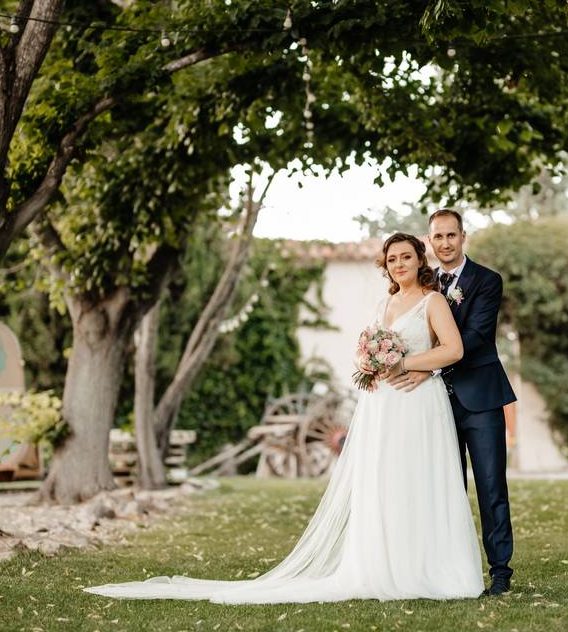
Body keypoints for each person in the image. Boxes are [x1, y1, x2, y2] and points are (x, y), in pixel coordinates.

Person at [83, 232, 484, 604]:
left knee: (418, 478)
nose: (399, 264)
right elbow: (368, 351)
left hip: (417, 403)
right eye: (392, 259)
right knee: (382, 482)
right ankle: (385, 565)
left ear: (419, 260)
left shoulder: (433, 301)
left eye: (406, 257)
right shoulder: (384, 304)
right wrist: (372, 363)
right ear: (386, 266)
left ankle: (427, 566)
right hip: (382, 405)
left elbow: (453, 350)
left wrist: (406, 362)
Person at [387, 209, 516, 596]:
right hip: (433, 405)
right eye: (437, 237)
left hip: (480, 397)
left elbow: (475, 337)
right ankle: (449, 568)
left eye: (451, 236)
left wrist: (429, 367)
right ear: (429, 241)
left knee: (492, 486)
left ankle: (499, 570)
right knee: (444, 487)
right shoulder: (423, 287)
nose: (444, 243)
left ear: (463, 237)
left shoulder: (486, 281)